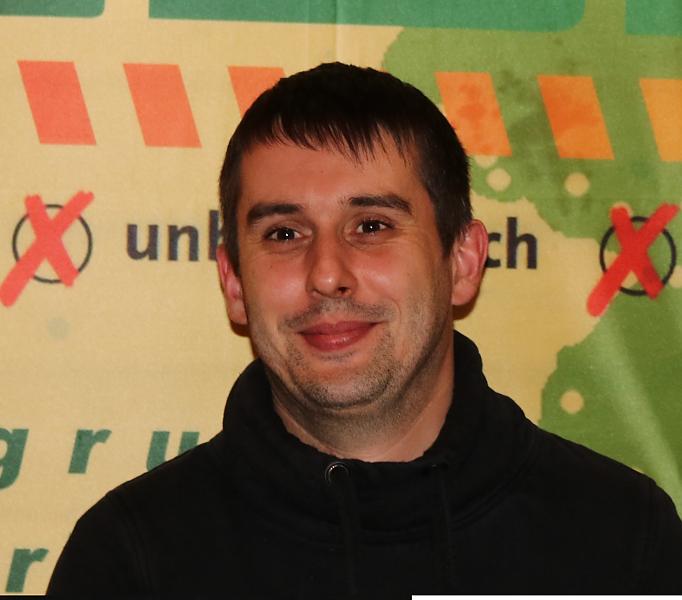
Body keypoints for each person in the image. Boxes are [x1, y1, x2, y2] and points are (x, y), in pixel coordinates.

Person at [48, 62, 682, 596]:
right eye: (284, 233)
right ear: (234, 283)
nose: (327, 274)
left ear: (462, 262)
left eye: (372, 226)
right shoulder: (130, 561)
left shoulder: (624, 540)